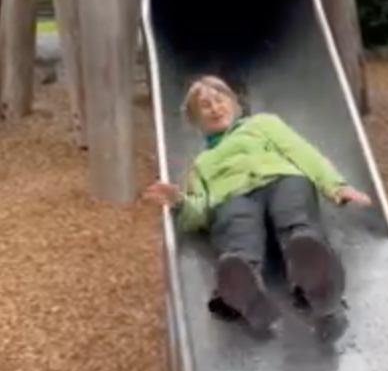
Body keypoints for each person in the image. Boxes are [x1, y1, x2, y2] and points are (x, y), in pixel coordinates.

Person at [145, 76, 371, 334]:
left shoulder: (264, 124)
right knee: (235, 226)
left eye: (220, 100)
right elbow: (202, 212)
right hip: (233, 196)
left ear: (234, 103)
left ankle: (317, 279)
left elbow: (303, 153)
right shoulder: (202, 163)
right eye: (205, 106)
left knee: (295, 216)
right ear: (196, 121)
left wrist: (335, 186)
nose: (215, 108)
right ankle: (243, 285)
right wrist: (179, 201)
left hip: (281, 178)